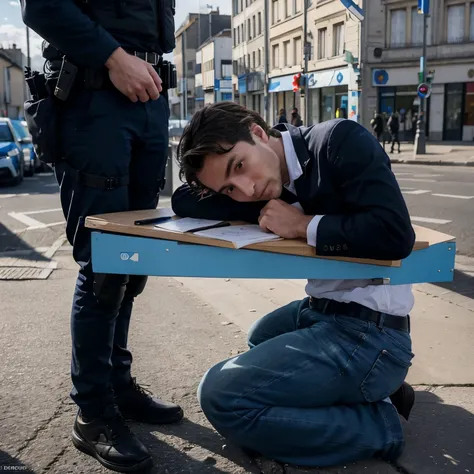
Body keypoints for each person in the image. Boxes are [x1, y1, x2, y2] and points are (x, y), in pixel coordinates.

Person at [171, 102, 416, 468]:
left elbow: (395, 233)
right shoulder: (263, 183)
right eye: (228, 189)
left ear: (257, 131)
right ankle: (360, 392)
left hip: (372, 331)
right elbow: (183, 200)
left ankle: (378, 426)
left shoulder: (338, 141)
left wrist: (303, 226)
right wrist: (234, 189)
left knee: (221, 395)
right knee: (261, 336)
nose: (246, 189)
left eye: (238, 166)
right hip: (322, 310)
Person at [21, 1, 183, 472]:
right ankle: (92, 413)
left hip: (150, 100)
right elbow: (42, 6)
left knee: (132, 262)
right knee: (105, 264)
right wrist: (115, 58)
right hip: (95, 100)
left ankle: (117, 384)